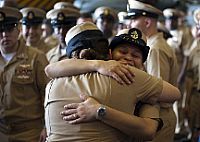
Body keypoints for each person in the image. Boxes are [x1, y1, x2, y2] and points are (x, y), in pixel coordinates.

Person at [44, 22, 180, 142]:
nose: (128, 59)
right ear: (109, 53)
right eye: (122, 52)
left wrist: (99, 110)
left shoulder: (53, 84)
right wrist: (97, 65)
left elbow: (50, 70)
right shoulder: (132, 79)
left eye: (136, 55)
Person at [126, 1, 179, 142]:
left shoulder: (155, 49)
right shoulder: (154, 45)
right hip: (155, 114)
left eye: (133, 19)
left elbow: (157, 90)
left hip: (159, 116)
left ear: (147, 22)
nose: (129, 24)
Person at [0, 6, 49, 142]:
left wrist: (48, 127)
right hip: (2, 131)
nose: (5, 34)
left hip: (30, 133)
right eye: (0, 30)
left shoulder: (36, 57)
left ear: (18, 30)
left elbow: (48, 94)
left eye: (9, 29)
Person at [184, 8, 200, 142]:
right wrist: (186, 100)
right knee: (193, 127)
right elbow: (189, 76)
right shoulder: (195, 49)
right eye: (198, 27)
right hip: (196, 94)